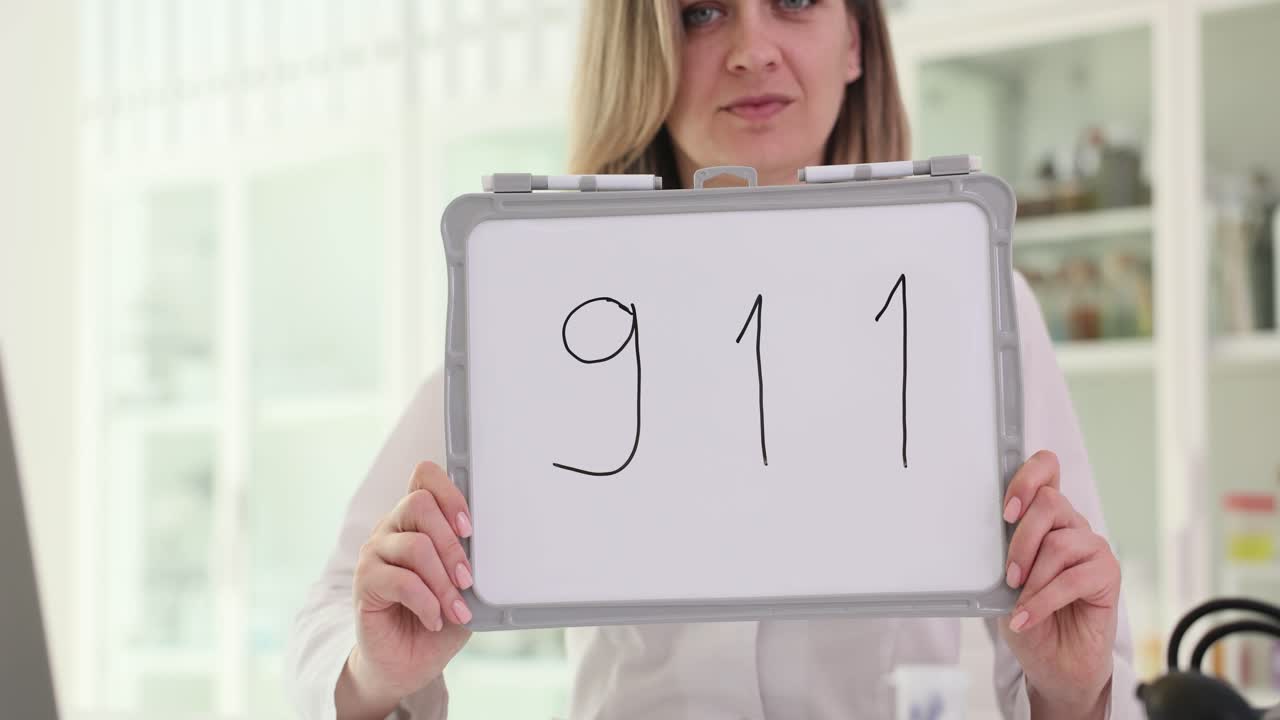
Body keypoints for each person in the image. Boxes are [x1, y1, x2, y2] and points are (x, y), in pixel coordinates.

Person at [287, 1, 1142, 718]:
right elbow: (335, 614)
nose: (751, 50)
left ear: (856, 41)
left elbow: (1088, 657)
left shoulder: (975, 299)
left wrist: (1072, 691)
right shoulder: (542, 297)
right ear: (640, 57)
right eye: (699, 12)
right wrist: (374, 674)